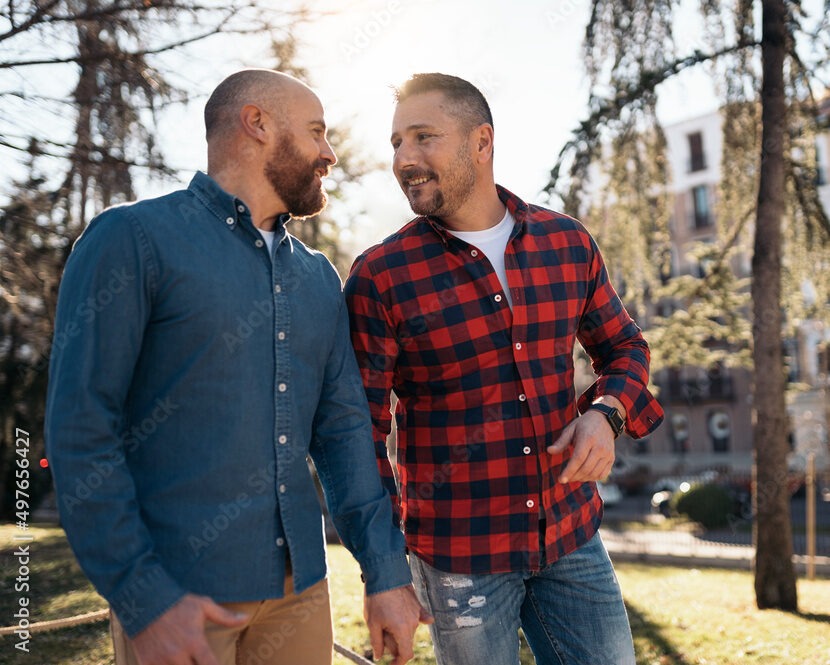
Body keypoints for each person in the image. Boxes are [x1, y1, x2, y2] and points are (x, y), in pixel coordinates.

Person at [45, 69, 429, 665]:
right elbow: (81, 429)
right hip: (180, 596)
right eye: (316, 132)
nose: (329, 153)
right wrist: (143, 598)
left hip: (301, 594)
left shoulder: (318, 277)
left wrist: (385, 574)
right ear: (257, 124)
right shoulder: (132, 239)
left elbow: (344, 434)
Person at [344, 73, 664, 665]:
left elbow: (625, 347)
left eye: (423, 137)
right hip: (459, 561)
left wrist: (606, 416)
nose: (404, 159)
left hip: (571, 535)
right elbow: (358, 433)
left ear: (481, 141)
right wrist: (384, 572)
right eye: (396, 143)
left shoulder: (566, 243)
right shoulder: (380, 277)